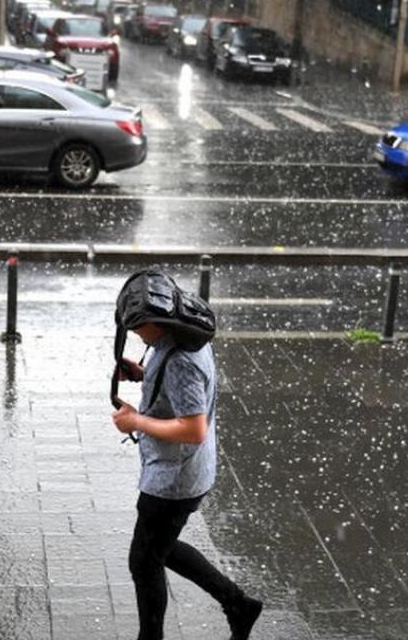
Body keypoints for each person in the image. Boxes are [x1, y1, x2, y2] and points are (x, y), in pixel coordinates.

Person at [111, 272, 264, 640]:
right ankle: (239, 605)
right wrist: (143, 374)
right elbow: (182, 388)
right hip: (187, 470)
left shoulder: (180, 359)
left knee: (144, 562)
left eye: (137, 326)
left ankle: (157, 635)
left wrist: (135, 420)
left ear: (156, 321)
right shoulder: (185, 333)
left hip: (173, 480)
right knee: (158, 549)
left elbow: (193, 428)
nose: (135, 333)